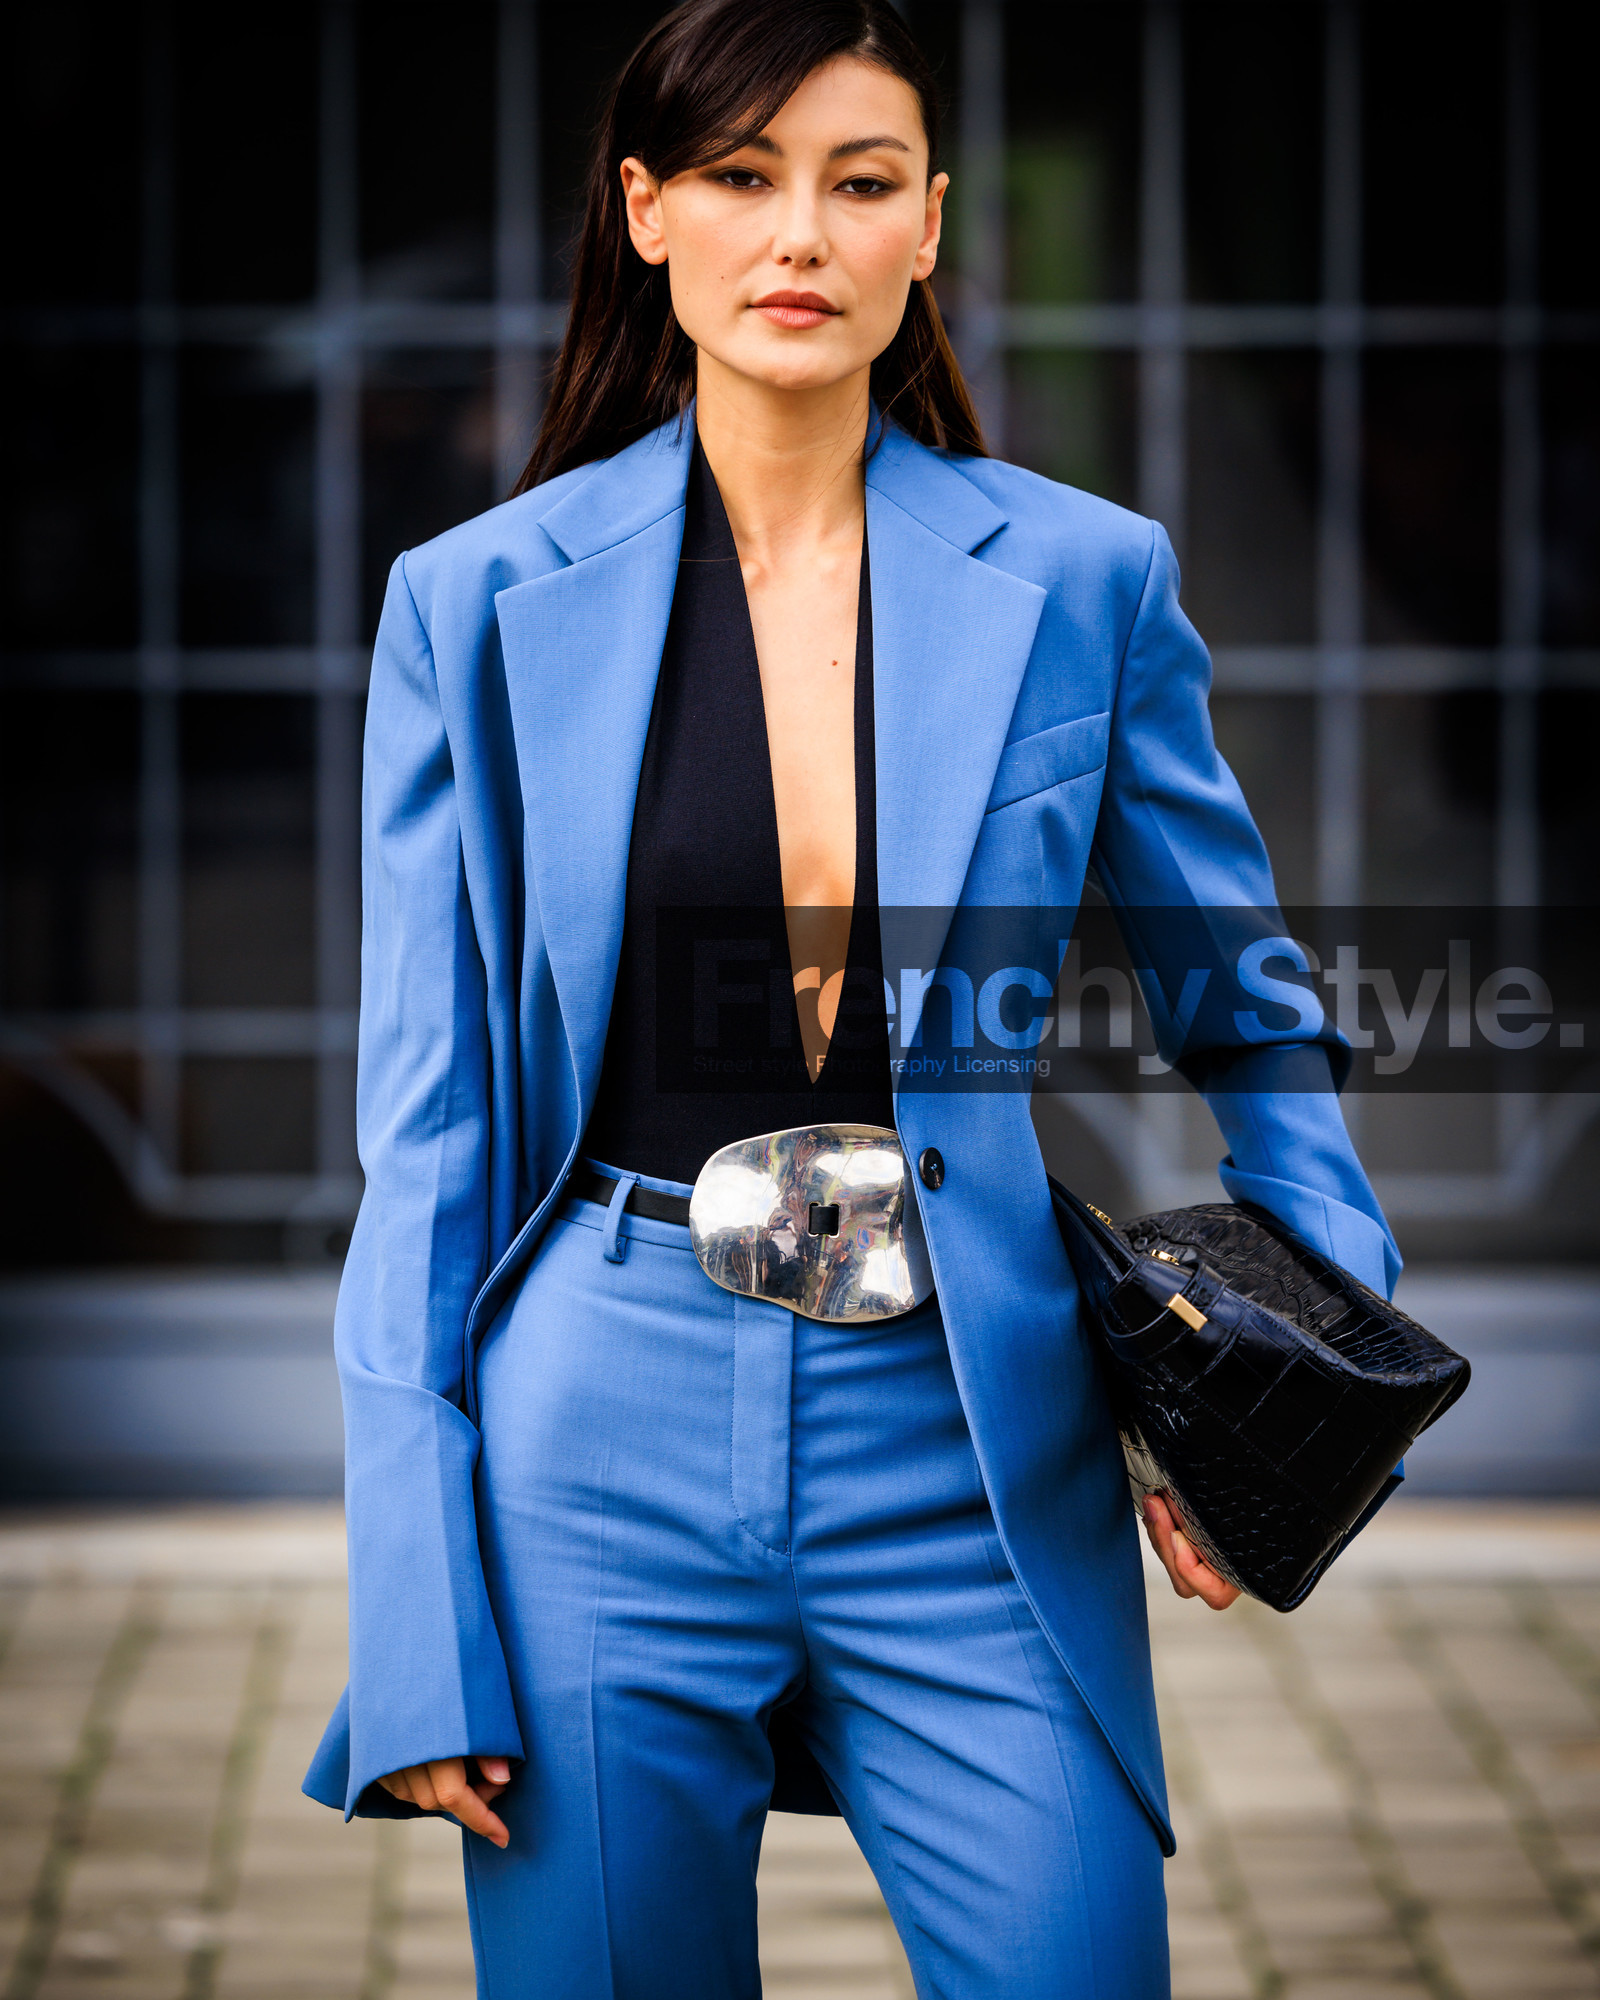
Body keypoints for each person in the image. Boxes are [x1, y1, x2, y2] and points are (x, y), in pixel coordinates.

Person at [304, 2, 1401, 1993]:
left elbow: (1243, 1005)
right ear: (645, 214)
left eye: (857, 180)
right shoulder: (472, 603)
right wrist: (413, 1605)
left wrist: (1299, 1401)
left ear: (925, 227)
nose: (795, 231)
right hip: (594, 1422)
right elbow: (428, 1133)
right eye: (737, 176)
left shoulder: (1083, 580)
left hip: (973, 1423)